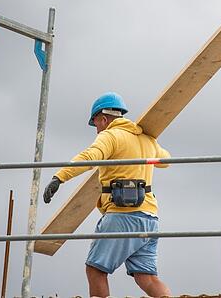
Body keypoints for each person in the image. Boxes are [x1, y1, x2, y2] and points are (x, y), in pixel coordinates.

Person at [43, 92, 172, 298]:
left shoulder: (110, 135)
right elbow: (166, 160)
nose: (96, 130)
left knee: (95, 270)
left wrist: (60, 177)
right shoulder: (147, 139)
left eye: (95, 124)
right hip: (149, 219)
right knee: (146, 277)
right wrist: (148, 146)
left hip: (122, 216)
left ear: (103, 119)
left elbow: (90, 157)